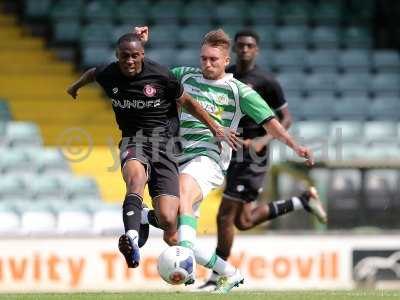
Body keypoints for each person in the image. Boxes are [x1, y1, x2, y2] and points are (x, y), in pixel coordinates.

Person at [134, 26, 315, 293]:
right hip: (177, 157)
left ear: (226, 61)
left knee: (184, 189)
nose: (207, 64)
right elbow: (153, 76)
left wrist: (295, 146)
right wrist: (141, 46)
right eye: (203, 58)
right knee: (172, 229)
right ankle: (229, 273)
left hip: (210, 159)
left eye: (213, 59)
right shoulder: (184, 76)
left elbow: (272, 123)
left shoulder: (238, 91)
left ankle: (184, 257)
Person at [66, 33, 239, 270]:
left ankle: (146, 218)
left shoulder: (160, 75)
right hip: (133, 141)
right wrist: (75, 87)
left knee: (169, 220)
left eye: (134, 56)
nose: (129, 61)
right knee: (135, 179)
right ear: (117, 56)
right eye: (124, 56)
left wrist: (215, 127)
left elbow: (189, 103)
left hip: (164, 147)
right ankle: (132, 240)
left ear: (142, 55)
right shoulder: (109, 73)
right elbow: (92, 74)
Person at [198, 29, 328, 291]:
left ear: (257, 50)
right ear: (234, 49)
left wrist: (261, 141)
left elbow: (286, 119)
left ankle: (218, 276)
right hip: (232, 151)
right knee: (243, 222)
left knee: (225, 217)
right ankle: (302, 200)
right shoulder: (227, 73)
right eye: (241, 45)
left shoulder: (267, 81)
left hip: (253, 157)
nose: (245, 49)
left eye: (250, 46)